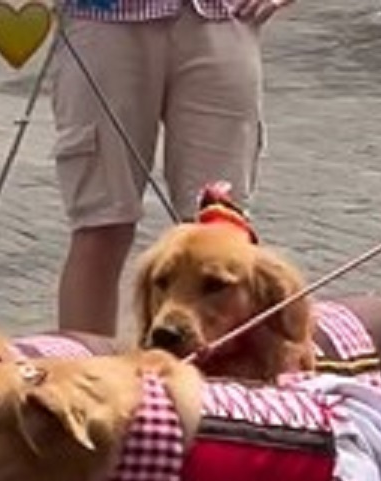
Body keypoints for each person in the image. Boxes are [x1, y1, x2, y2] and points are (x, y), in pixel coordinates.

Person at [51, 0, 292, 336]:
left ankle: (226, 381)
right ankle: (88, 378)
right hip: (104, 19)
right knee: (101, 224)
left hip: (220, 17)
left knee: (222, 227)